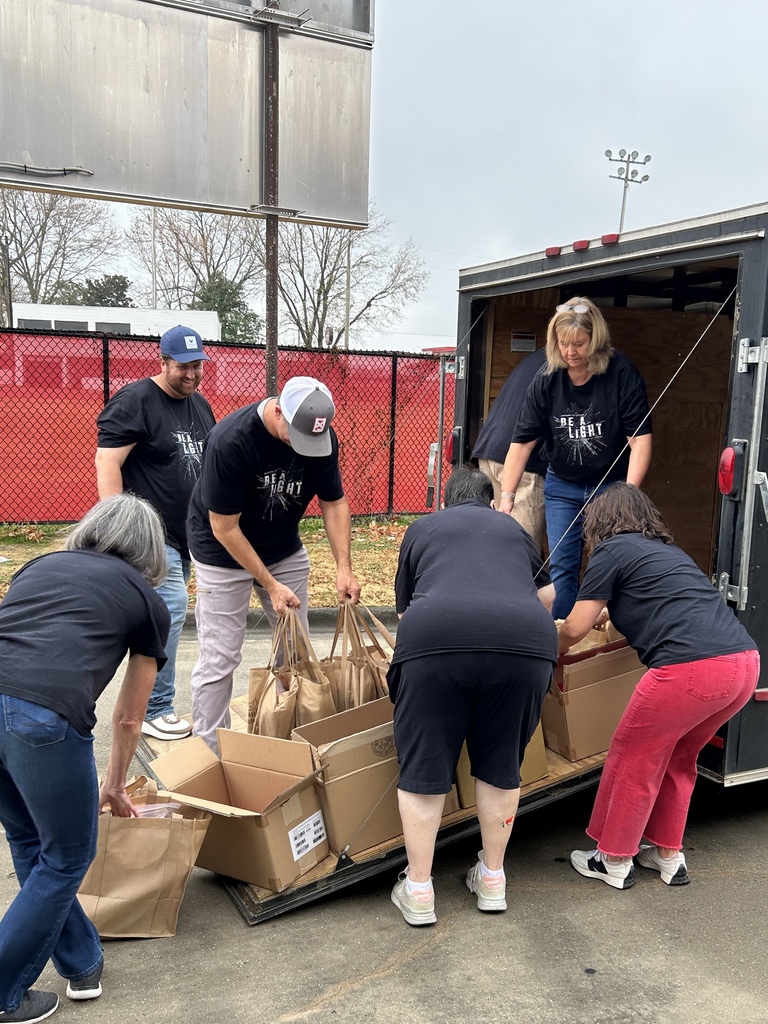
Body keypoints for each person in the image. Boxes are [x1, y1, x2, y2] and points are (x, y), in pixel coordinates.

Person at [0, 494, 170, 1023]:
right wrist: (116, 783)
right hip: (43, 718)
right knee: (69, 855)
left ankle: (81, 963)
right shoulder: (146, 600)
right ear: (151, 551)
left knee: (33, 840)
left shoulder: (40, 565)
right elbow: (128, 716)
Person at [558, 483, 759, 890]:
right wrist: (610, 611)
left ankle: (612, 859)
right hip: (743, 665)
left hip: (689, 670)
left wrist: (539, 645)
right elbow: (657, 601)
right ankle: (668, 855)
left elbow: (575, 628)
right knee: (679, 757)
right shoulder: (669, 553)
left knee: (633, 756)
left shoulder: (610, 551)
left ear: (601, 520)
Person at [386, 467, 557, 926]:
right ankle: (493, 878)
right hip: (526, 645)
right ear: (490, 502)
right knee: (502, 767)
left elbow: (405, 608)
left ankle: (419, 889)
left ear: (446, 501)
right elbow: (546, 595)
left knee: (423, 767)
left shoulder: (422, 528)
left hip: (434, 639)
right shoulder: (515, 530)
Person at [186, 375, 361, 753]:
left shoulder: (323, 439)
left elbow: (333, 503)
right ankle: (210, 753)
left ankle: (292, 740)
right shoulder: (231, 440)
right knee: (221, 656)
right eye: (296, 435)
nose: (304, 447)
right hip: (221, 552)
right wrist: (268, 583)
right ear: (279, 410)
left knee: (295, 651)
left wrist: (343, 567)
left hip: (282, 548)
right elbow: (224, 526)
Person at [95, 324, 216, 741]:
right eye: (183, 366)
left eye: (197, 365)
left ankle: (140, 702)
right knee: (170, 609)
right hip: (148, 533)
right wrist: (117, 525)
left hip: (188, 534)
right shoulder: (136, 401)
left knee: (153, 619)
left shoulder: (199, 405)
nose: (192, 374)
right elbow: (107, 462)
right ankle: (155, 708)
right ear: (162, 360)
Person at [499, 297, 652, 619]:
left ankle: (611, 636)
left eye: (579, 344)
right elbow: (522, 443)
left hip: (609, 487)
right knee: (563, 568)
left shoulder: (620, 372)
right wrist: (506, 498)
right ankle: (565, 639)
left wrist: (629, 493)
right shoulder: (546, 378)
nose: (571, 352)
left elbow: (639, 440)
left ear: (595, 340)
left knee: (611, 563)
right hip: (562, 487)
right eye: (563, 343)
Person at [471, 347, 548, 551]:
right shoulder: (562, 364)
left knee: (494, 542)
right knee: (521, 550)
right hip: (522, 463)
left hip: (489, 449)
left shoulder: (534, 359)